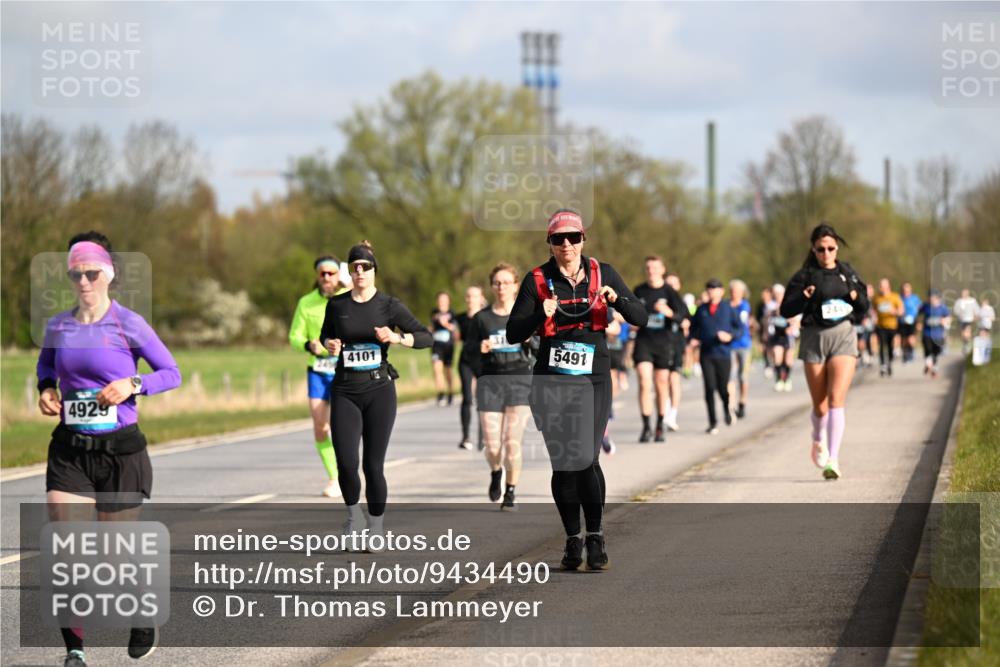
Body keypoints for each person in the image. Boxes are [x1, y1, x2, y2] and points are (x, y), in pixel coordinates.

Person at [37, 231, 182, 667]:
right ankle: (75, 651)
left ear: (109, 274)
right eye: (75, 273)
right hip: (70, 452)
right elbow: (46, 365)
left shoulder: (129, 324)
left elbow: (171, 372)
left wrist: (131, 384)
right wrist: (45, 389)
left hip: (120, 452)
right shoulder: (58, 326)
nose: (83, 281)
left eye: (91, 272)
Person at [506, 209, 647, 571]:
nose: (566, 244)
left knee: (585, 457)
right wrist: (540, 313)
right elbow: (513, 333)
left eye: (572, 237)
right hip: (551, 379)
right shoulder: (536, 280)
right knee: (564, 464)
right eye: (558, 239)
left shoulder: (604, 273)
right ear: (549, 244)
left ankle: (596, 536)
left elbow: (640, 317)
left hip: (593, 378)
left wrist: (617, 301)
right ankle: (572, 539)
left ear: (583, 239)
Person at [320, 241, 433, 549]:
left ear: (374, 272)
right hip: (344, 388)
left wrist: (397, 337)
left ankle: (376, 526)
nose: (360, 272)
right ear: (349, 271)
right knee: (346, 461)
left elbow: (426, 336)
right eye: (354, 267)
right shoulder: (337, 305)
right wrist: (330, 344)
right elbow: (325, 335)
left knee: (373, 465)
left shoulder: (389, 305)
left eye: (365, 267)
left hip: (379, 390)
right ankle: (353, 516)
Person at [780, 222, 869, 480]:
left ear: (837, 248)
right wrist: (804, 296)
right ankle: (817, 437)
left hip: (843, 335)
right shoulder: (804, 276)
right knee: (820, 407)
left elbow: (864, 307)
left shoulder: (848, 273)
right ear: (814, 249)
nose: (826, 253)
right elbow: (786, 309)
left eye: (831, 248)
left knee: (836, 400)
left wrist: (854, 297)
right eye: (821, 249)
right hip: (813, 338)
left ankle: (834, 459)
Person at [470, 263, 535, 510]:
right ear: (491, 287)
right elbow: (467, 354)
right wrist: (479, 349)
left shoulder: (526, 316)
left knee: (511, 441)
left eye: (506, 282)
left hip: (520, 381)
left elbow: (540, 347)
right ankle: (496, 470)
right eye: (497, 283)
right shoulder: (481, 318)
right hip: (491, 383)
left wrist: (530, 340)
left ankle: (510, 491)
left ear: (516, 286)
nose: (501, 287)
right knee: (493, 445)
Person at [289, 256, 351, 497]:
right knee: (320, 427)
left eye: (331, 273)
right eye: (322, 274)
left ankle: (351, 470)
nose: (326, 277)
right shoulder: (306, 303)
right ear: (317, 276)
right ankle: (335, 478)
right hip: (318, 370)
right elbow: (294, 336)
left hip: (345, 368)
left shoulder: (348, 297)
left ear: (338, 275)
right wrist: (308, 345)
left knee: (344, 426)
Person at [632, 256, 687, 441]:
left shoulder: (669, 291)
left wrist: (669, 312)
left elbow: (683, 317)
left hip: (664, 342)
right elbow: (631, 313)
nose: (651, 270)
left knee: (661, 383)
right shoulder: (639, 290)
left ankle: (659, 425)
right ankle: (646, 425)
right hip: (644, 341)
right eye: (648, 267)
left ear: (662, 269)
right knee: (644, 381)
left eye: (655, 267)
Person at [690, 279, 742, 433]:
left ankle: (727, 409)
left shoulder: (728, 308)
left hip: (723, 353)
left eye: (715, 288)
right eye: (709, 289)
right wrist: (693, 339)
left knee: (722, 388)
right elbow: (693, 329)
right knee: (709, 388)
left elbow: (740, 329)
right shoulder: (701, 310)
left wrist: (730, 336)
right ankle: (712, 422)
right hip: (706, 354)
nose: (712, 291)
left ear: (722, 291)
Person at [455, 286, 487, 450]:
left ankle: (484, 437)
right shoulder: (460, 318)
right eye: (468, 296)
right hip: (466, 360)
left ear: (481, 298)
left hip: (482, 361)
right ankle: (466, 437)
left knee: (482, 400)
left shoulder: (486, 316)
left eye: (474, 296)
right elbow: (456, 338)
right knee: (467, 398)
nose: (470, 299)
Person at [728, 279, 753, 418]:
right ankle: (730, 405)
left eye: (737, 291)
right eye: (732, 291)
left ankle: (742, 402)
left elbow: (742, 320)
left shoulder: (744, 305)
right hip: (730, 345)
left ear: (742, 293)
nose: (734, 293)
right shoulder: (726, 305)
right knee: (730, 376)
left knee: (742, 376)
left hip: (744, 344)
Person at [429, 292, 458, 406]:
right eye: (440, 300)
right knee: (437, 369)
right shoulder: (434, 313)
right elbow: (432, 327)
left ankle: (450, 392)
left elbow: (454, 328)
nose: (442, 302)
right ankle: (441, 393)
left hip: (448, 345)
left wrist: (445, 324)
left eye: (444, 300)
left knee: (448, 371)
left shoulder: (452, 313)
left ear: (448, 301)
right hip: (436, 345)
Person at [872, 278, 904, 377]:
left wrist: (895, 312)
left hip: (892, 326)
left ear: (888, 287)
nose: (881, 288)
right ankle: (882, 365)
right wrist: (874, 317)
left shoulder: (895, 297)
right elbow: (873, 310)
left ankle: (889, 363)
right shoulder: (876, 298)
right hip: (880, 326)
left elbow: (901, 311)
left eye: (883, 286)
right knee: (882, 345)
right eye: (880, 286)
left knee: (890, 346)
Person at [768, 284, 796, 392]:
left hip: (788, 335)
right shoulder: (771, 306)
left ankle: (787, 379)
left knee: (788, 359)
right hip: (777, 335)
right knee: (777, 357)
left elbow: (795, 319)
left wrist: (792, 326)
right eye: (776, 294)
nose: (777, 296)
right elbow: (767, 321)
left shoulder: (789, 304)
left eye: (779, 294)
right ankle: (779, 379)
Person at [918, 290, 951, 378]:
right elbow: (917, 313)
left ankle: (934, 366)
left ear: (938, 298)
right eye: (930, 298)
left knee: (936, 351)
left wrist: (945, 321)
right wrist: (918, 323)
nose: (931, 299)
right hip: (927, 333)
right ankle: (929, 364)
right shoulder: (926, 306)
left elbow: (948, 317)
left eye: (933, 298)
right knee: (928, 349)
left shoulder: (943, 308)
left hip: (938, 334)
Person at [898, 282, 922, 364]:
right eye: (904, 289)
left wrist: (919, 322)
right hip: (902, 321)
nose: (906, 291)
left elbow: (920, 310)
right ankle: (905, 353)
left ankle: (911, 353)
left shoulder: (915, 298)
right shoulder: (899, 298)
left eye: (907, 289)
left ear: (910, 289)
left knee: (911, 339)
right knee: (904, 340)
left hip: (913, 321)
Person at [952, 288, 979, 355]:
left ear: (967, 293)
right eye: (962, 293)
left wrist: (975, 315)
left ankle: (967, 345)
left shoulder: (972, 300)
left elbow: (976, 309)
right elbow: (955, 310)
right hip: (961, 319)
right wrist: (959, 313)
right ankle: (965, 344)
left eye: (964, 293)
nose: (963, 294)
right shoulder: (959, 301)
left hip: (969, 319)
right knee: (963, 333)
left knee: (967, 331)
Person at [756, 287, 774, 378]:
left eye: (766, 294)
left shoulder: (774, 305)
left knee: (773, 349)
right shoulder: (760, 306)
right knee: (764, 349)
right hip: (764, 331)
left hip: (774, 331)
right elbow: (758, 320)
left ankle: (773, 364)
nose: (764, 296)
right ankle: (767, 365)